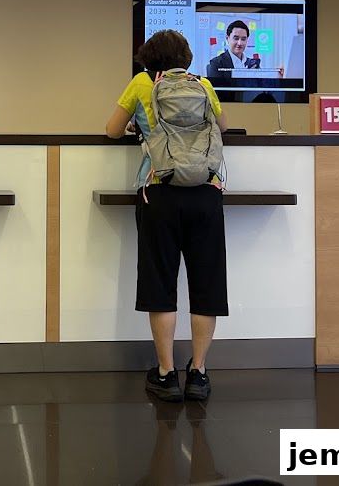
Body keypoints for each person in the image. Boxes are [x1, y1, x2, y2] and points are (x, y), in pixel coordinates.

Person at [106, 29, 229, 403]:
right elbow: (222, 129)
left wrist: (138, 127)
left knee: (161, 283)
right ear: (186, 57)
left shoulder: (142, 84)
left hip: (158, 191)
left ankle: (165, 375)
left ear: (148, 58)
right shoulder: (204, 85)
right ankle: (199, 373)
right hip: (206, 194)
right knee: (206, 283)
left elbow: (111, 130)